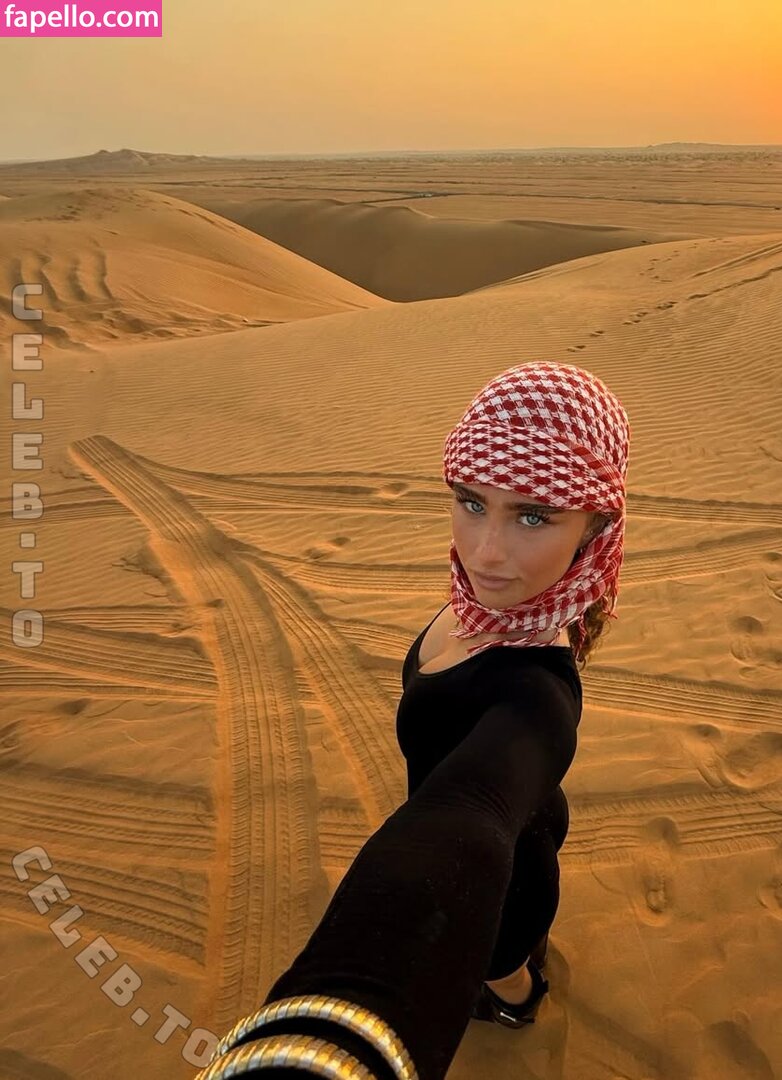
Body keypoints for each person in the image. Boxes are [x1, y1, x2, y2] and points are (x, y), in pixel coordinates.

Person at [194, 361, 631, 1080]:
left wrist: (324, 1053)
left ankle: (519, 1000)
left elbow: (465, 822)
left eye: (533, 516)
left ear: (597, 526)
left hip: (502, 886)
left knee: (503, 965)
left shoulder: (536, 699)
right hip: (525, 829)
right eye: (471, 501)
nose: (486, 552)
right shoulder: (482, 608)